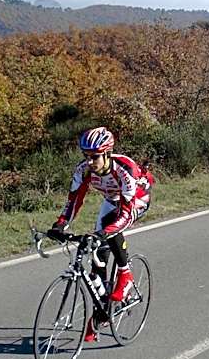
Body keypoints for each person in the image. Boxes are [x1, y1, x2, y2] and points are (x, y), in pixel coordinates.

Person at [48, 126, 153, 342]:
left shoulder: (125, 170)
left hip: (136, 200)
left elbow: (126, 212)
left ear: (106, 153)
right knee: (97, 254)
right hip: (111, 200)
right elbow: (74, 200)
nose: (89, 161)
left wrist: (104, 233)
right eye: (85, 156)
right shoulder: (84, 170)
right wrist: (61, 224)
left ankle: (125, 274)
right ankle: (102, 309)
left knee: (109, 227)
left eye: (94, 157)